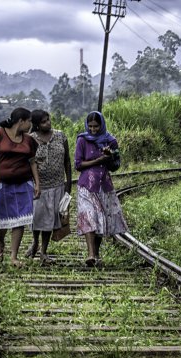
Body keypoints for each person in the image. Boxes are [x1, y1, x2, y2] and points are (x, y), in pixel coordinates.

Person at [0, 107, 40, 267]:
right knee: (1, 219)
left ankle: (14, 256)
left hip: (24, 183)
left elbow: (32, 162)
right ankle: (1, 243)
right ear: (21, 121)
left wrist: (37, 183)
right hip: (2, 184)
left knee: (20, 220)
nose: (31, 126)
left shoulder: (29, 140)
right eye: (29, 122)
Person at [74, 111, 127, 267]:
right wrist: (98, 160)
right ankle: (90, 254)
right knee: (89, 217)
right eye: (90, 126)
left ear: (102, 125)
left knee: (99, 219)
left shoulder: (111, 141)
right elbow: (78, 164)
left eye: (96, 126)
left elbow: (116, 165)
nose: (93, 130)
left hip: (103, 185)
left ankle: (96, 253)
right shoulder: (82, 140)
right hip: (86, 186)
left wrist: (109, 157)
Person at [24, 110, 72, 264]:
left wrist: (68, 184)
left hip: (57, 185)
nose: (48, 123)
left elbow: (67, 161)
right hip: (38, 186)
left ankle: (43, 251)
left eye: (48, 119)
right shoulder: (31, 139)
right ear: (37, 125)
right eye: (44, 121)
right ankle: (35, 242)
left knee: (50, 220)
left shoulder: (60, 136)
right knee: (37, 218)